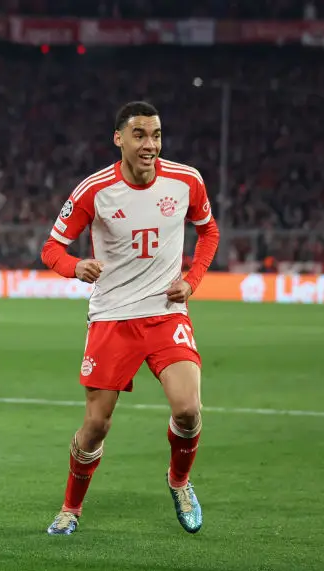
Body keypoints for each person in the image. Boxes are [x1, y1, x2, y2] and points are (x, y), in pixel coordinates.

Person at [39, 101, 220, 536]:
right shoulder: (94, 190)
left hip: (165, 313)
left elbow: (208, 231)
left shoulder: (186, 180)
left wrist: (192, 280)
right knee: (96, 426)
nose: (150, 144)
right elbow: (51, 249)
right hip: (112, 318)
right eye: (140, 135)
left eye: (156, 135)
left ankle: (179, 481)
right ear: (119, 139)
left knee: (189, 410)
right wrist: (75, 267)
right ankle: (70, 508)